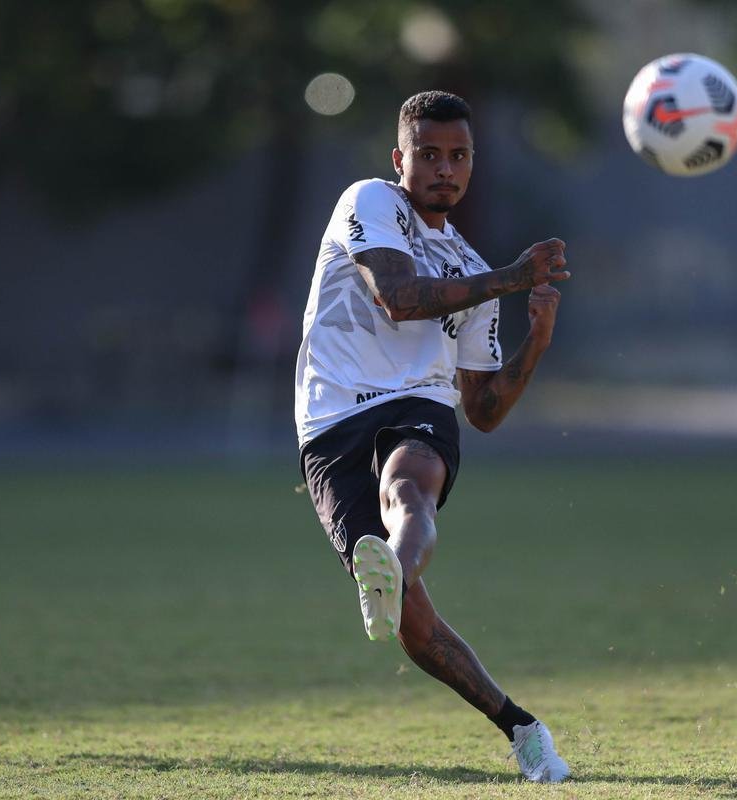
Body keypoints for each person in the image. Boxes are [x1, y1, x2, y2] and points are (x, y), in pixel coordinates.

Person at [294, 90, 571, 783]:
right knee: (414, 628)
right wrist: (509, 280)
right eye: (429, 154)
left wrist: (534, 342)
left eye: (458, 156)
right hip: (330, 420)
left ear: (472, 163)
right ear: (400, 158)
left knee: (409, 484)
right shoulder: (371, 203)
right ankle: (521, 725)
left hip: (418, 405)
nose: (444, 168)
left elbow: (481, 408)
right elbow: (397, 294)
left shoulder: (471, 266)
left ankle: (390, 565)